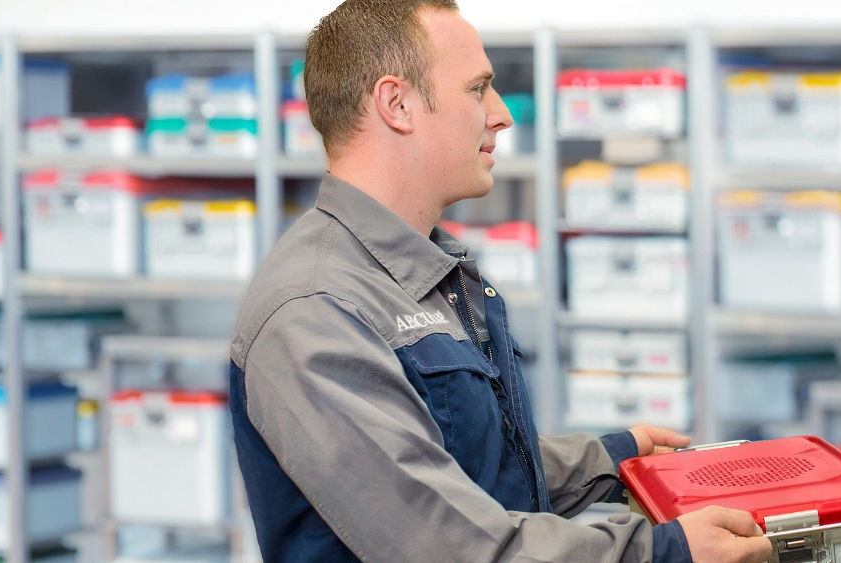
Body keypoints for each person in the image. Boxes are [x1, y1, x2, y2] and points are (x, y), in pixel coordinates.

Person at [227, 0, 773, 561]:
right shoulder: (316, 310)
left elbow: (464, 470)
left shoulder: (425, 271)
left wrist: (612, 461)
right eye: (477, 88)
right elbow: (444, 543)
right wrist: (662, 552)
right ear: (397, 104)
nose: (502, 113)